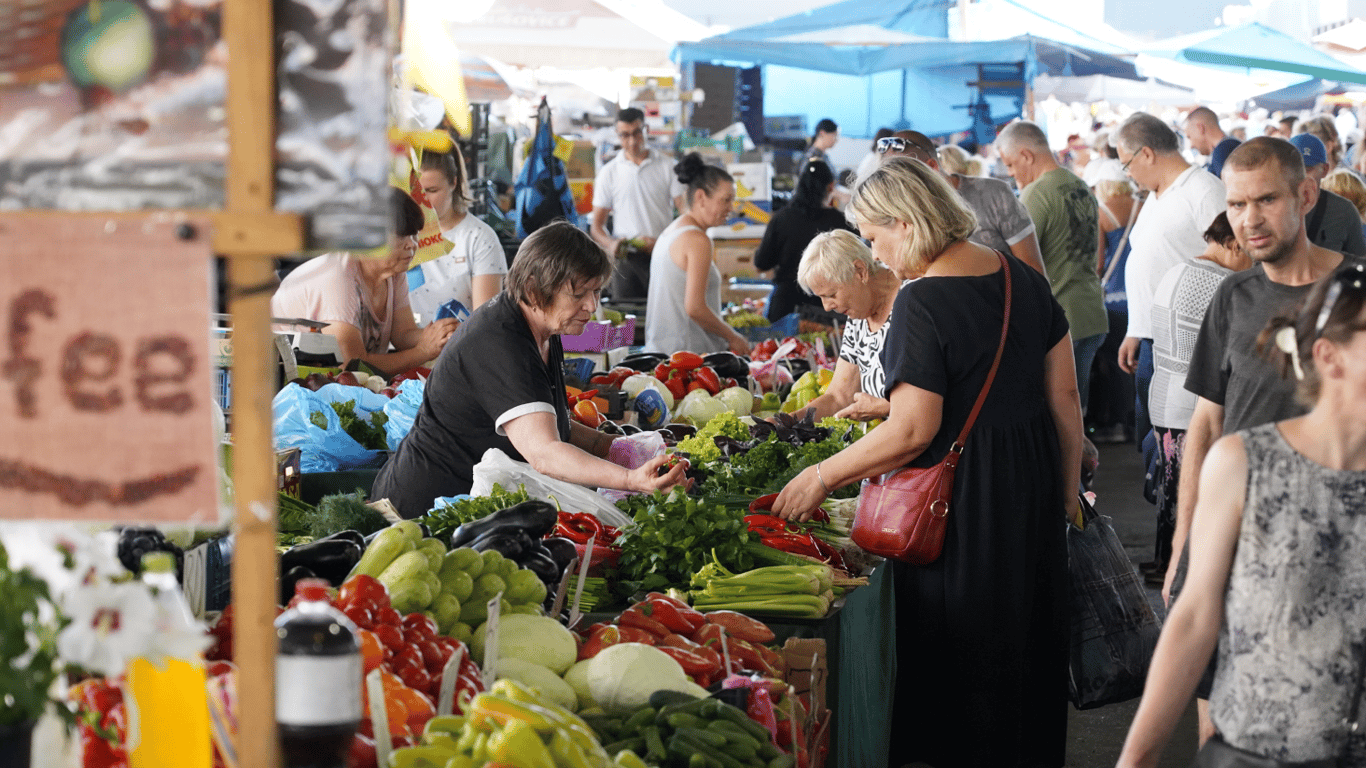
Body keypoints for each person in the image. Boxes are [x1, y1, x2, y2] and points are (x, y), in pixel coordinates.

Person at [772, 157, 1082, 768]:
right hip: (1032, 483)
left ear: (908, 222)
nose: (876, 252)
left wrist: (820, 475)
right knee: (1027, 647)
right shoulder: (1025, 280)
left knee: (962, 658)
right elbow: (1065, 397)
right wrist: (1066, 492)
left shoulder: (922, 302)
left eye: (873, 236)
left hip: (962, 502)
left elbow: (913, 431)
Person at [1116, 261, 1366, 768]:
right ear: (1329, 357)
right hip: (1254, 752)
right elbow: (1193, 618)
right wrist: (1137, 758)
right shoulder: (1246, 463)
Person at [1167, 137, 1347, 743]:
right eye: (1237, 204)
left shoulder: (1356, 294)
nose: (1249, 220)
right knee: (1217, 710)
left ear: (1305, 194)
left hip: (1334, 546)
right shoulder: (1233, 298)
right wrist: (1183, 546)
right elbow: (1206, 428)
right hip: (1233, 538)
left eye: (1265, 200)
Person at [370, 220, 688, 518]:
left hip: (464, 503)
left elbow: (549, 423)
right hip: (421, 508)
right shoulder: (500, 342)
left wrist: (613, 447)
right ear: (535, 291)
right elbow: (545, 453)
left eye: (596, 291)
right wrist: (631, 479)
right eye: (579, 294)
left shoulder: (544, 328)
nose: (591, 306)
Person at [1113, 112, 1226, 453]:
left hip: (1188, 343)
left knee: (1177, 441)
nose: (1128, 173)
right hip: (1153, 338)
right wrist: (1136, 328)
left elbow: (1233, 260)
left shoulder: (1204, 190)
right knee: (1154, 439)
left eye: (1126, 164)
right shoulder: (1157, 194)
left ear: (1146, 154)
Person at [1146, 212, 1249, 584]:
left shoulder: (1178, 270)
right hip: (1192, 405)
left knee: (1170, 489)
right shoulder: (1223, 284)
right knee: (1188, 491)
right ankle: (1180, 569)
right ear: (1234, 243)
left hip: (1163, 398)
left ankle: (1164, 563)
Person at [272, 189, 459, 375]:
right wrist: (423, 352)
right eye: (401, 236)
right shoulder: (337, 277)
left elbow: (404, 334)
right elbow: (351, 365)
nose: (411, 244)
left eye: (413, 234)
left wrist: (442, 335)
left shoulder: (394, 272)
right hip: (277, 377)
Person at [998, 120, 1109, 410]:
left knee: (1059, 417)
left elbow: (1018, 264)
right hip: (1092, 312)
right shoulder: (1080, 184)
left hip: (1060, 319)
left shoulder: (1036, 193)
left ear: (1026, 155)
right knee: (1076, 409)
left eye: (1010, 164)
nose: (1010, 173)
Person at [879, 130, 1047, 275]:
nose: (897, 188)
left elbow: (1033, 270)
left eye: (903, 178)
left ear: (931, 167)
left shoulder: (993, 195)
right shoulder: (903, 215)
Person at [643, 154, 751, 356]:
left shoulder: (672, 230)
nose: (731, 208)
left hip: (664, 351)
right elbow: (695, 307)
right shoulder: (697, 240)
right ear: (701, 197)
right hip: (688, 356)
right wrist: (733, 337)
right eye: (726, 200)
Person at [795, 229, 903, 422]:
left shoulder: (912, 300)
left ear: (860, 271)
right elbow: (839, 397)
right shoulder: (858, 317)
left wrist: (884, 407)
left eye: (831, 295)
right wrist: (784, 423)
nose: (826, 307)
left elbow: (937, 392)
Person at [590, 107, 682, 301]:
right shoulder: (609, 173)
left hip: (663, 255)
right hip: (625, 261)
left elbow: (685, 214)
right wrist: (611, 243)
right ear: (617, 135)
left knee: (663, 314)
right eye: (625, 135)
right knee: (627, 323)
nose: (631, 141)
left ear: (646, 129)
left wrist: (664, 242)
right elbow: (596, 227)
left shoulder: (668, 167)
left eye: (637, 133)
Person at [409, 147, 507, 321]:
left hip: (458, 345)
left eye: (432, 190)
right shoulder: (401, 236)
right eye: (416, 191)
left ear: (453, 183)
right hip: (403, 344)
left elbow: (483, 322)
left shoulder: (480, 238)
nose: (422, 200)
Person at [753, 160, 854, 321]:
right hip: (828, 308)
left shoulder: (781, 219)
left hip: (785, 307)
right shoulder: (840, 223)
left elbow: (761, 263)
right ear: (830, 187)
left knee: (783, 347)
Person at [1089, 176, 1140, 444]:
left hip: (1115, 298)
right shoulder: (1143, 205)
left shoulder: (1102, 212)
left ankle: (1121, 421)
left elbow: (1098, 263)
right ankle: (1142, 421)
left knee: (1116, 361)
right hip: (1142, 295)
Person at [1286, 133, 1366, 257]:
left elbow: (1359, 266)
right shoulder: (1271, 207)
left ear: (1324, 170)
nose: (1301, 175)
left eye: (1307, 169)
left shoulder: (1344, 211)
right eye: (1294, 168)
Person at [1184, 106, 1241, 179]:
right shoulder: (1229, 146)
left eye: (1189, 137)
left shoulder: (1223, 151)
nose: (1191, 145)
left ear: (1200, 128)